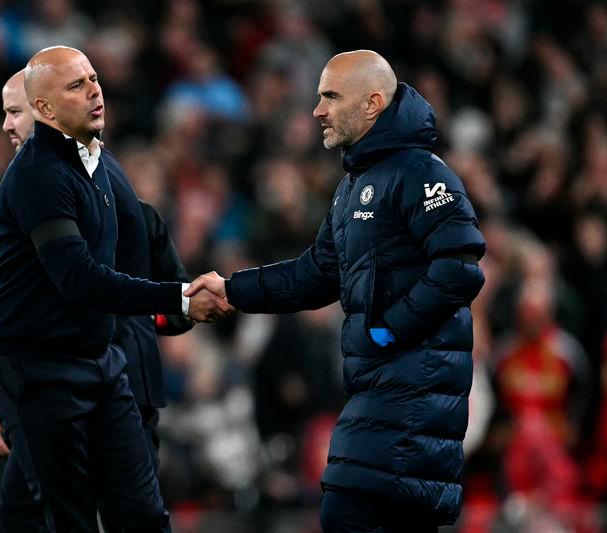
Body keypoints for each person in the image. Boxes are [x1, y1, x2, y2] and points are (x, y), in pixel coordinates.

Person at [186, 50, 486, 532]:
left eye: (329, 96)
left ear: (372, 103)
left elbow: (461, 268)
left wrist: (388, 331)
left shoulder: (422, 173)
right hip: (380, 393)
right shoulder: (354, 185)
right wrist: (232, 289)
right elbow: (316, 275)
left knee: (348, 512)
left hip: (413, 397)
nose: (317, 110)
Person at [0, 46, 229, 532]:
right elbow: (80, 280)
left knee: (141, 514)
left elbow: (147, 233)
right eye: (76, 85)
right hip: (37, 367)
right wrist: (176, 297)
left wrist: (175, 302)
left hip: (100, 360)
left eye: (93, 77)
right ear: (46, 110)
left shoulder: (98, 162)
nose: (95, 89)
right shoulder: (38, 177)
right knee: (66, 520)